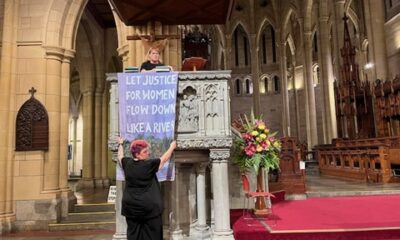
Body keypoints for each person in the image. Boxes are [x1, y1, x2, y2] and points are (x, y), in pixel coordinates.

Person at [117, 137, 177, 240]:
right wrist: (172, 147)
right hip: (149, 208)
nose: (148, 153)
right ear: (137, 154)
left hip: (131, 207)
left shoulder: (127, 163)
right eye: (145, 152)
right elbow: (164, 159)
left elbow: (120, 157)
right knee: (152, 235)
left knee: (134, 234)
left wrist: (120, 144)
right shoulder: (148, 165)